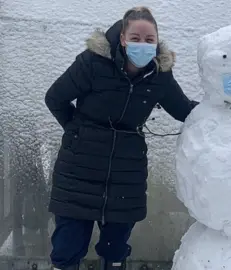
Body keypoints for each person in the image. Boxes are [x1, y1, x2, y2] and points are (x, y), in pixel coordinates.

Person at [44, 6, 198, 270]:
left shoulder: (159, 76)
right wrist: (78, 132)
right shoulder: (92, 63)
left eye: (149, 40)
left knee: (116, 249)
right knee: (68, 246)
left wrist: (225, 110)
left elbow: (184, 110)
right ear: (123, 38)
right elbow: (55, 98)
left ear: (157, 42)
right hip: (79, 170)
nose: (143, 44)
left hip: (125, 173)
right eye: (136, 38)